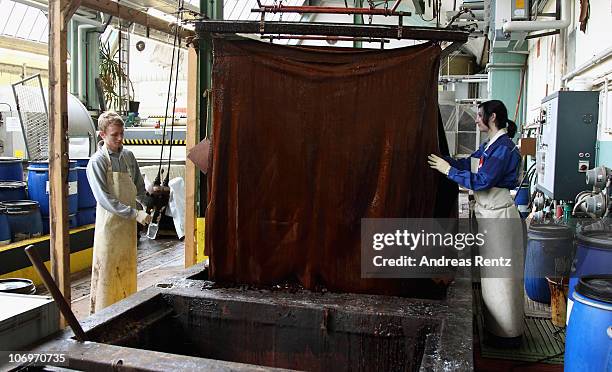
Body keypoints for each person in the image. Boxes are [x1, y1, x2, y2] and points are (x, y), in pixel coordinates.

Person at [428, 100, 525, 343]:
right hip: (487, 215)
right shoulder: (490, 146)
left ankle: (507, 335)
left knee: (501, 277)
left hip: (499, 218)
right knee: (490, 276)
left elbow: (482, 180)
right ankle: (493, 327)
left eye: (479, 115)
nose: (476, 120)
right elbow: (469, 163)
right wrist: (445, 160)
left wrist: (446, 171)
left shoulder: (504, 148)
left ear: (492, 118)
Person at [86, 111, 152, 314]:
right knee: (106, 275)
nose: (120, 139)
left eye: (122, 133)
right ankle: (101, 317)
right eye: (115, 135)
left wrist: (150, 203)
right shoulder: (97, 162)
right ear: (102, 135)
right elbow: (106, 200)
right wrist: (135, 214)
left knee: (126, 272)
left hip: (127, 230)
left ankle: (126, 311)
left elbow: (139, 188)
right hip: (109, 229)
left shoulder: (129, 157)